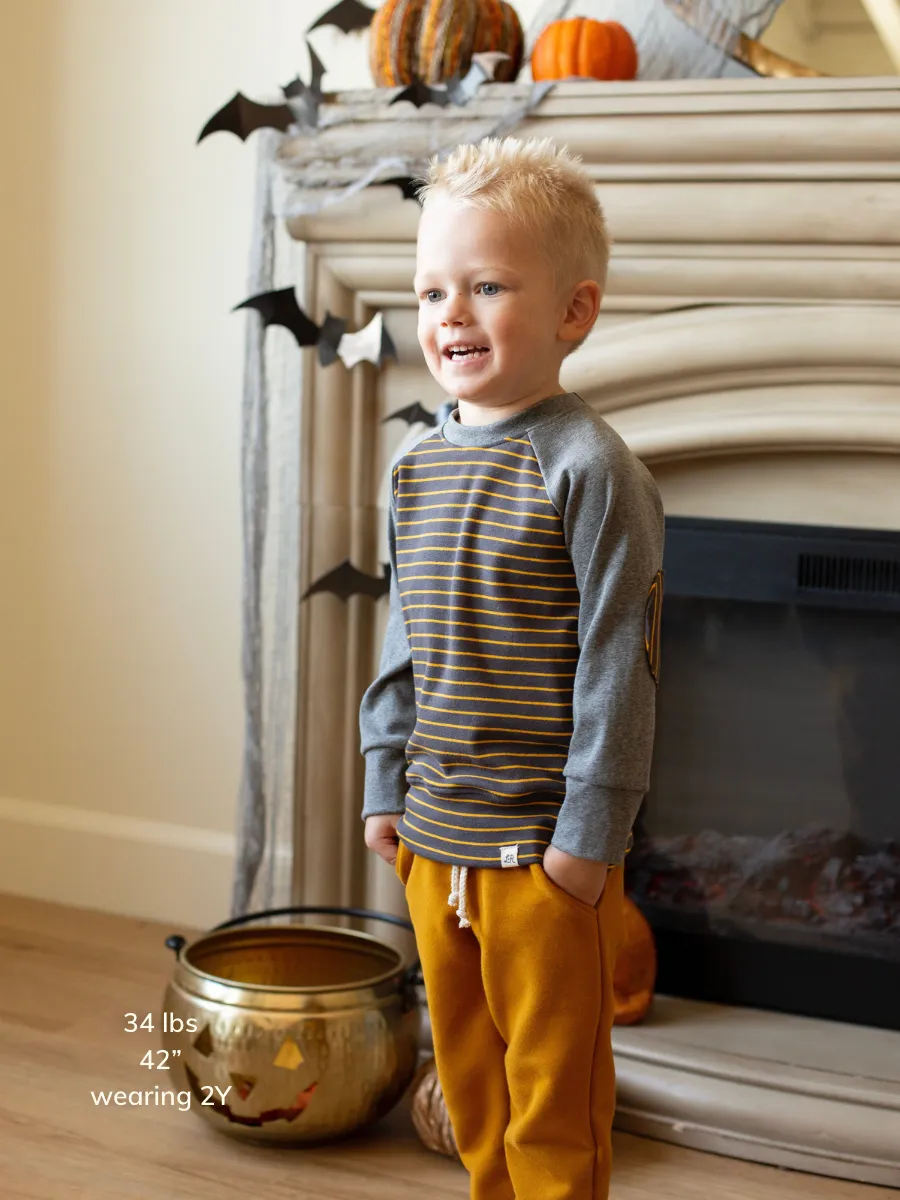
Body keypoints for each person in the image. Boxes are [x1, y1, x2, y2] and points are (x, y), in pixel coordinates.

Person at [359, 134, 665, 1200]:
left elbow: (620, 663)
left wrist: (589, 840)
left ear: (573, 312)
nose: (451, 313)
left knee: (553, 1095)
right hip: (433, 841)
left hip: (544, 851)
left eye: (487, 285)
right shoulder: (415, 467)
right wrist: (381, 786)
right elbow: (406, 636)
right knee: (472, 1081)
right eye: (433, 288)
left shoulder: (591, 470)